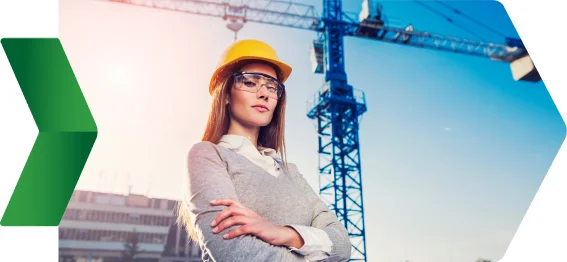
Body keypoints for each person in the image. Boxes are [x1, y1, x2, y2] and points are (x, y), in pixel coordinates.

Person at [176, 39, 352, 262]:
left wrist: (282, 233)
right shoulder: (207, 156)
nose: (264, 94)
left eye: (272, 87)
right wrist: (312, 247)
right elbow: (233, 251)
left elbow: (343, 246)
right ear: (226, 94)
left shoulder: (290, 171)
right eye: (250, 83)